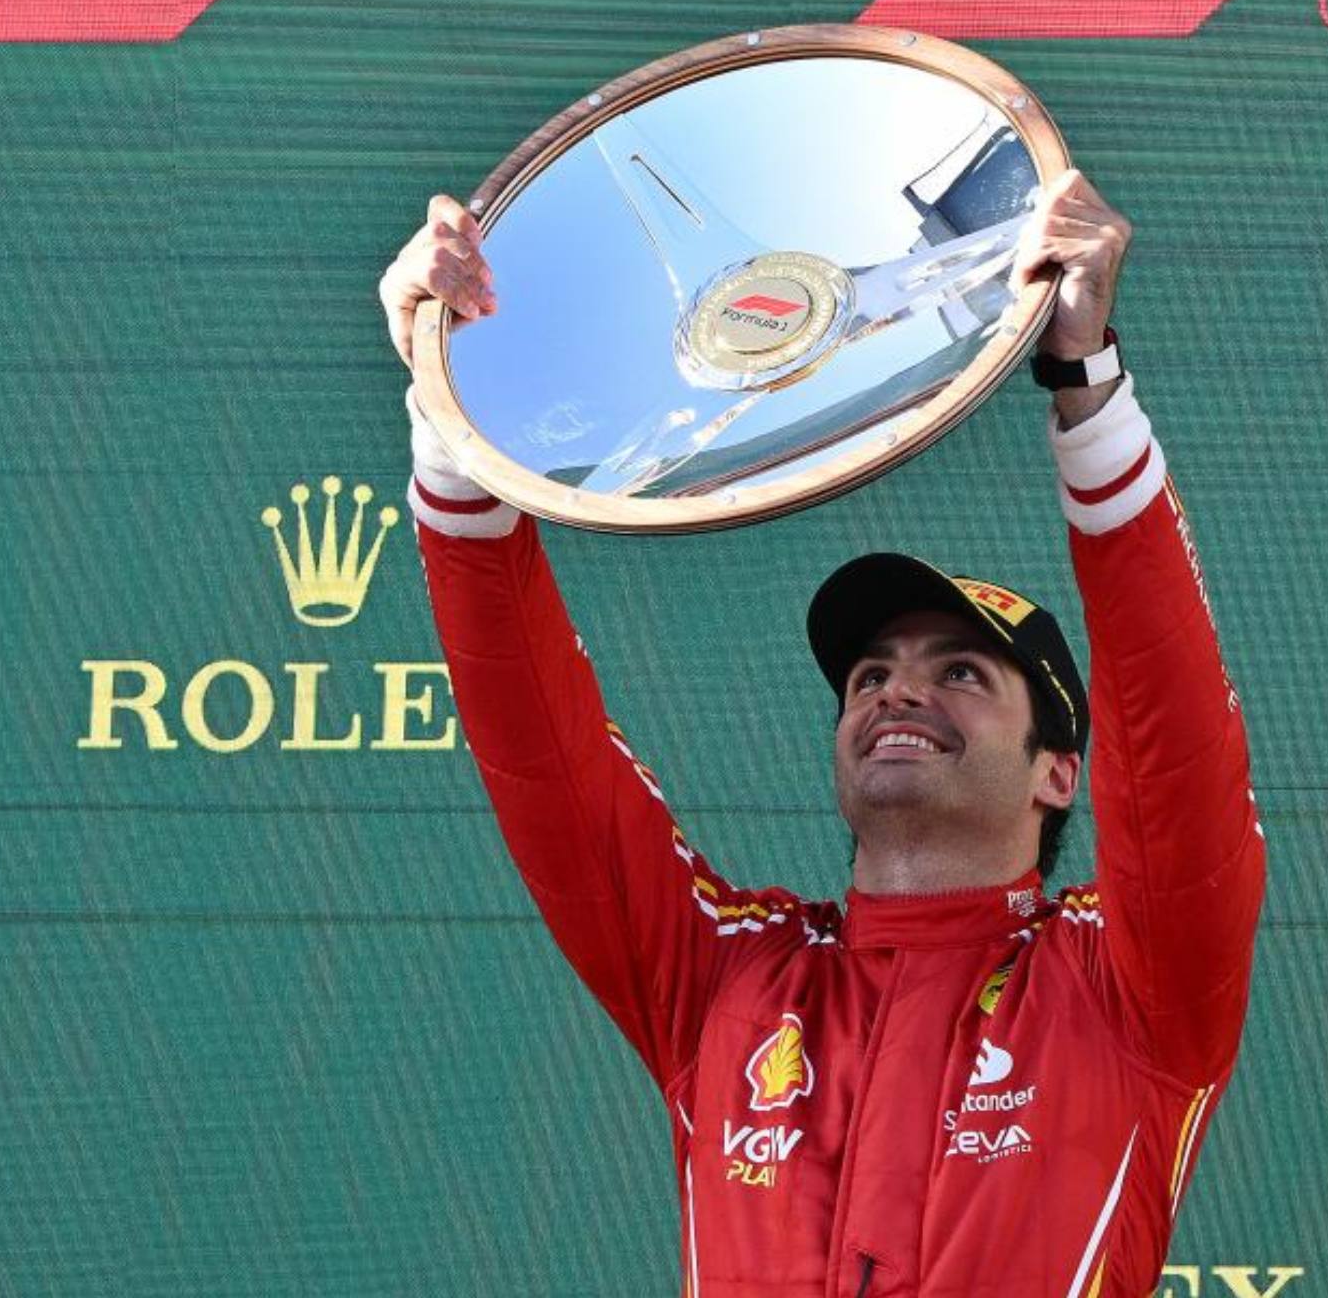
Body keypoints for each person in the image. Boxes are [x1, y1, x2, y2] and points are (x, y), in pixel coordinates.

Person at [378, 170, 1267, 1298]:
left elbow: (1174, 742)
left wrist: (1088, 391)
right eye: (869, 675)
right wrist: (455, 421)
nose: (898, 693)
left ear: (1060, 772)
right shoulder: (728, 976)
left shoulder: (1125, 983)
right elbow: (547, 765)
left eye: (960, 672)